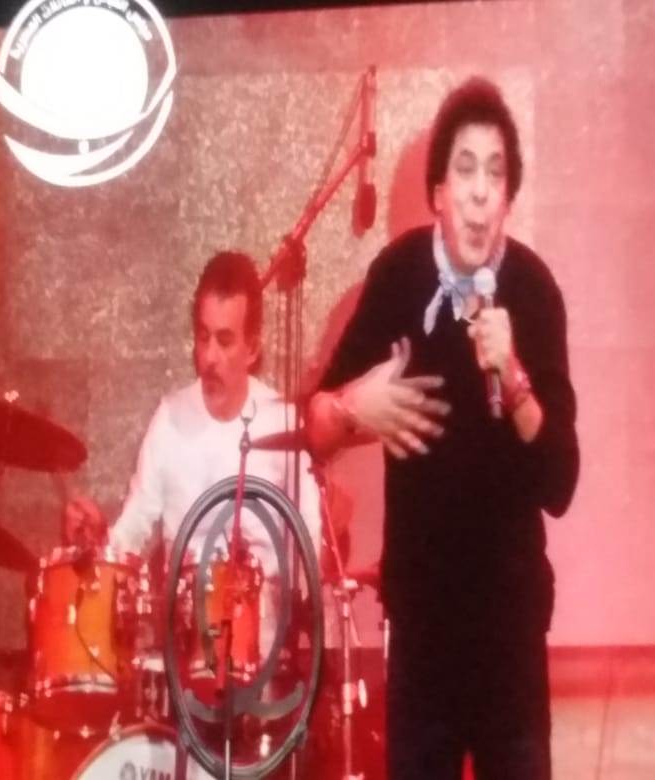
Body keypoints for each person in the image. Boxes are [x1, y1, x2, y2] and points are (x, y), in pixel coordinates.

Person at [305, 77, 579, 780]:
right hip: (424, 627)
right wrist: (352, 409)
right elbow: (316, 428)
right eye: (465, 170)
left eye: (496, 174)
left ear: (509, 197)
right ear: (436, 192)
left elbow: (560, 482)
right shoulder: (398, 278)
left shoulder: (535, 292)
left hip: (511, 626)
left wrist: (513, 376)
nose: (481, 192)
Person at [64, 250, 320, 647]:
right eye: (203, 338)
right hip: (185, 651)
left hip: (266, 651)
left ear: (253, 348)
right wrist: (97, 540)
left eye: (225, 340)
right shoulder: (169, 418)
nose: (210, 357)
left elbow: (311, 546)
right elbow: (132, 533)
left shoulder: (284, 423)